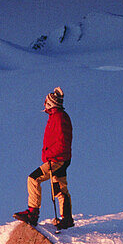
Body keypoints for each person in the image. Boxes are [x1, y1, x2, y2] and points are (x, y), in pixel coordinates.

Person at [14, 87, 74, 229]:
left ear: (50, 103)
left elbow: (62, 142)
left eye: (46, 102)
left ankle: (32, 213)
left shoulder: (58, 117)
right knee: (59, 187)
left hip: (56, 158)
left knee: (33, 178)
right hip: (61, 157)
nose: (44, 104)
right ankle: (67, 219)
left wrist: (49, 154)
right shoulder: (57, 116)